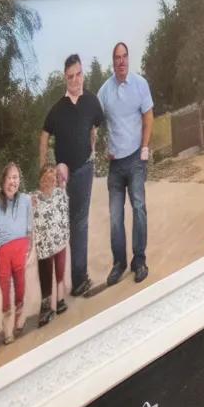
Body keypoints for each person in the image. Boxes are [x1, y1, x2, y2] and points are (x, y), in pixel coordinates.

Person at [39, 54, 103, 299]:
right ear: (65, 78)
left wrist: (93, 149)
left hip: (85, 169)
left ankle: (78, 279)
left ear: (82, 74)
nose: (75, 80)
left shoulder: (92, 101)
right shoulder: (58, 109)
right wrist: (45, 169)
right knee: (61, 224)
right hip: (62, 175)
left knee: (79, 222)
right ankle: (60, 288)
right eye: (70, 77)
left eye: (78, 75)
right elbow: (44, 136)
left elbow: (95, 127)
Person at [97, 42, 154, 286]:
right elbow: (94, 122)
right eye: (117, 58)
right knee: (115, 216)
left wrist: (144, 147)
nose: (121, 61)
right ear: (113, 62)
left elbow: (148, 115)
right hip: (115, 165)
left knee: (139, 208)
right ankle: (119, 263)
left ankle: (139, 261)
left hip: (135, 159)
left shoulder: (140, 84)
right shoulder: (104, 92)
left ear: (128, 59)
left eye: (124, 56)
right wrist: (101, 146)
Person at [0, 162, 32, 346]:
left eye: (16, 177)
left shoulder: (26, 200)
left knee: (20, 291)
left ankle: (18, 320)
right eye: (10, 178)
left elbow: (31, 229)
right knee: (6, 295)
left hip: (20, 253)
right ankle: (7, 332)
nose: (13, 181)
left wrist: (32, 251)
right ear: (3, 181)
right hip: (3, 257)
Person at [32, 163, 70, 328]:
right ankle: (46, 308)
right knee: (45, 276)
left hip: (59, 242)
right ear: (41, 180)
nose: (50, 181)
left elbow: (64, 213)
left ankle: (60, 301)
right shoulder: (34, 198)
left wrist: (65, 236)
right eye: (46, 178)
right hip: (44, 247)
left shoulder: (60, 194)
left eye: (53, 178)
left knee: (59, 273)